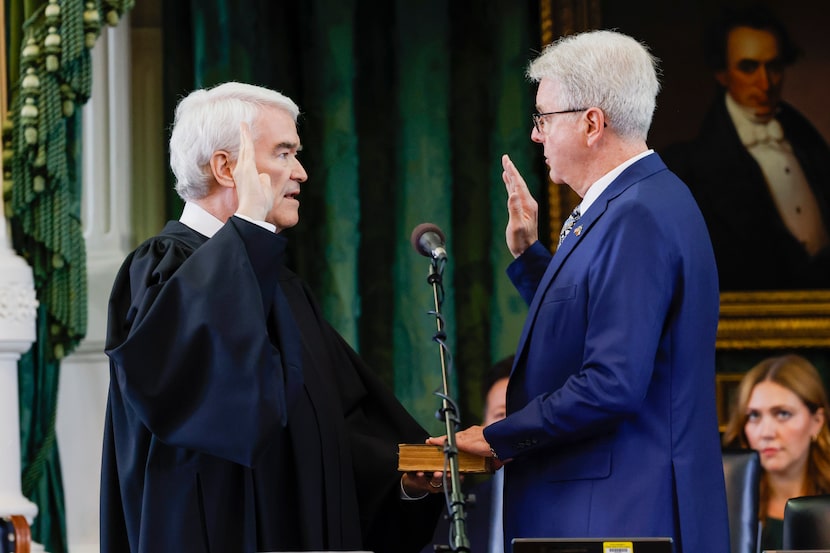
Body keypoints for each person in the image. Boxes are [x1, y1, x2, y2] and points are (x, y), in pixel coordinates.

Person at [101, 81, 444, 553]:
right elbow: (210, 405)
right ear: (226, 168)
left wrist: (404, 475)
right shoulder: (163, 268)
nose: (301, 172)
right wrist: (249, 227)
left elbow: (330, 427)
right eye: (284, 153)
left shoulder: (279, 283)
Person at [428, 30, 729, 552]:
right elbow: (602, 320)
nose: (537, 135)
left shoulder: (636, 214)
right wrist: (529, 257)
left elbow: (612, 381)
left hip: (620, 516)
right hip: (618, 508)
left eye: (544, 118)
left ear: (592, 123)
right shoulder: (640, 201)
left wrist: (498, 436)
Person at [661, 3, 830, 290]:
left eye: (774, 67)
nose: (765, 83)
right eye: (749, 68)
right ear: (722, 73)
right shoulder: (689, 165)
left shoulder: (809, 142)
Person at [722, 353, 830, 551]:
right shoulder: (726, 505)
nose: (766, 433)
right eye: (754, 416)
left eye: (782, 414)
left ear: (817, 422)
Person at [422, 356, 512, 553]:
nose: (510, 428)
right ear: (482, 426)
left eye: (520, 416)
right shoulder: (458, 507)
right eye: (500, 415)